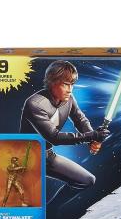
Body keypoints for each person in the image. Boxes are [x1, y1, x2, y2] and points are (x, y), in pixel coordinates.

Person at [20, 60, 109, 190]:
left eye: (72, 84)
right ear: (52, 82)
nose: (70, 90)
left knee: (88, 180)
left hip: (47, 156)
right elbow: (54, 137)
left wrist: (93, 138)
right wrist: (92, 136)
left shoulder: (69, 99)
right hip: (25, 159)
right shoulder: (35, 104)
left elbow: (80, 120)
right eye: (66, 84)